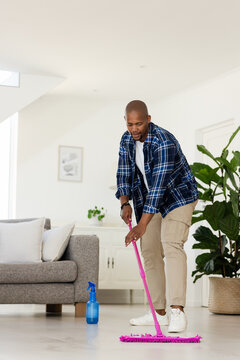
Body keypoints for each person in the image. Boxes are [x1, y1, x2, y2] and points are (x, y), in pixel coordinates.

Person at [115, 100, 198, 333]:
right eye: (130, 124)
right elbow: (124, 172)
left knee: (171, 244)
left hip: (178, 197)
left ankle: (177, 311)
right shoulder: (126, 140)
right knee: (149, 250)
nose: (134, 129)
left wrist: (141, 225)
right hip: (150, 201)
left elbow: (159, 187)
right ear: (125, 121)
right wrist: (124, 202)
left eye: (139, 124)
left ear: (148, 120)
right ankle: (158, 313)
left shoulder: (163, 141)